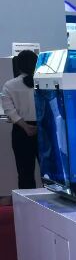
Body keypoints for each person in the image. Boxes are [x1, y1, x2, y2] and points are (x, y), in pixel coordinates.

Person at [2, 50, 40, 189]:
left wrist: (25, 127)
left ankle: (26, 201)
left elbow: (9, 110)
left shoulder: (9, 85)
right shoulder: (42, 82)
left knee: (24, 172)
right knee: (50, 172)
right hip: (43, 129)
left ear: (18, 65)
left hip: (21, 131)